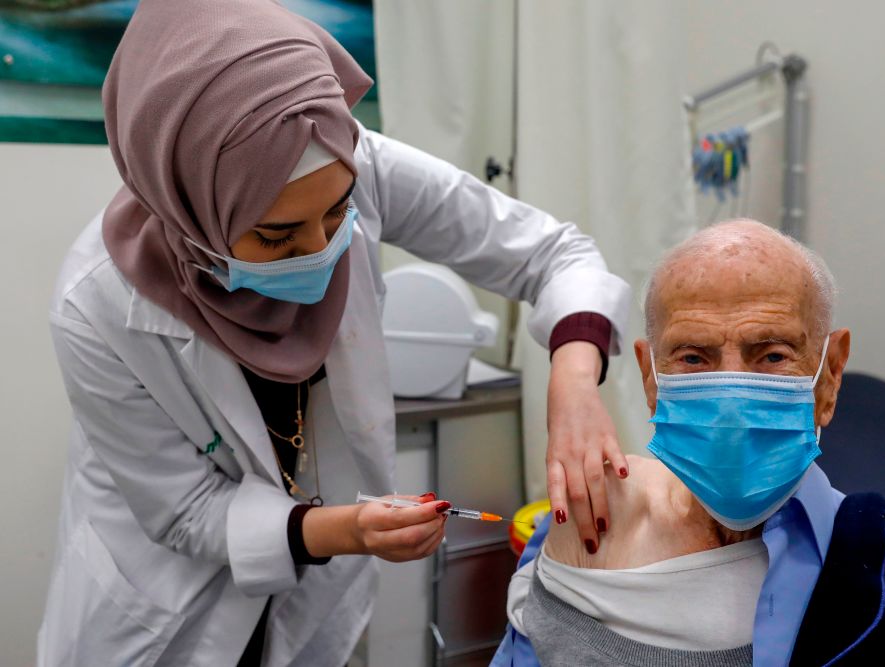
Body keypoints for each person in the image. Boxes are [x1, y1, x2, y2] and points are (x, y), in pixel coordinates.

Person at [37, 1, 632, 665]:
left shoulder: (352, 160)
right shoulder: (96, 308)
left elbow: (552, 254)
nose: (321, 252)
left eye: (337, 212)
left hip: (310, 607)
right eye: (275, 235)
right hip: (163, 617)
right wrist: (345, 529)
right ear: (193, 210)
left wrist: (574, 385)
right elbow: (187, 514)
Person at [493, 220, 885, 666]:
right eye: (692, 358)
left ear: (830, 375)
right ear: (650, 377)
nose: (730, 400)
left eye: (772, 356)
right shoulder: (587, 515)